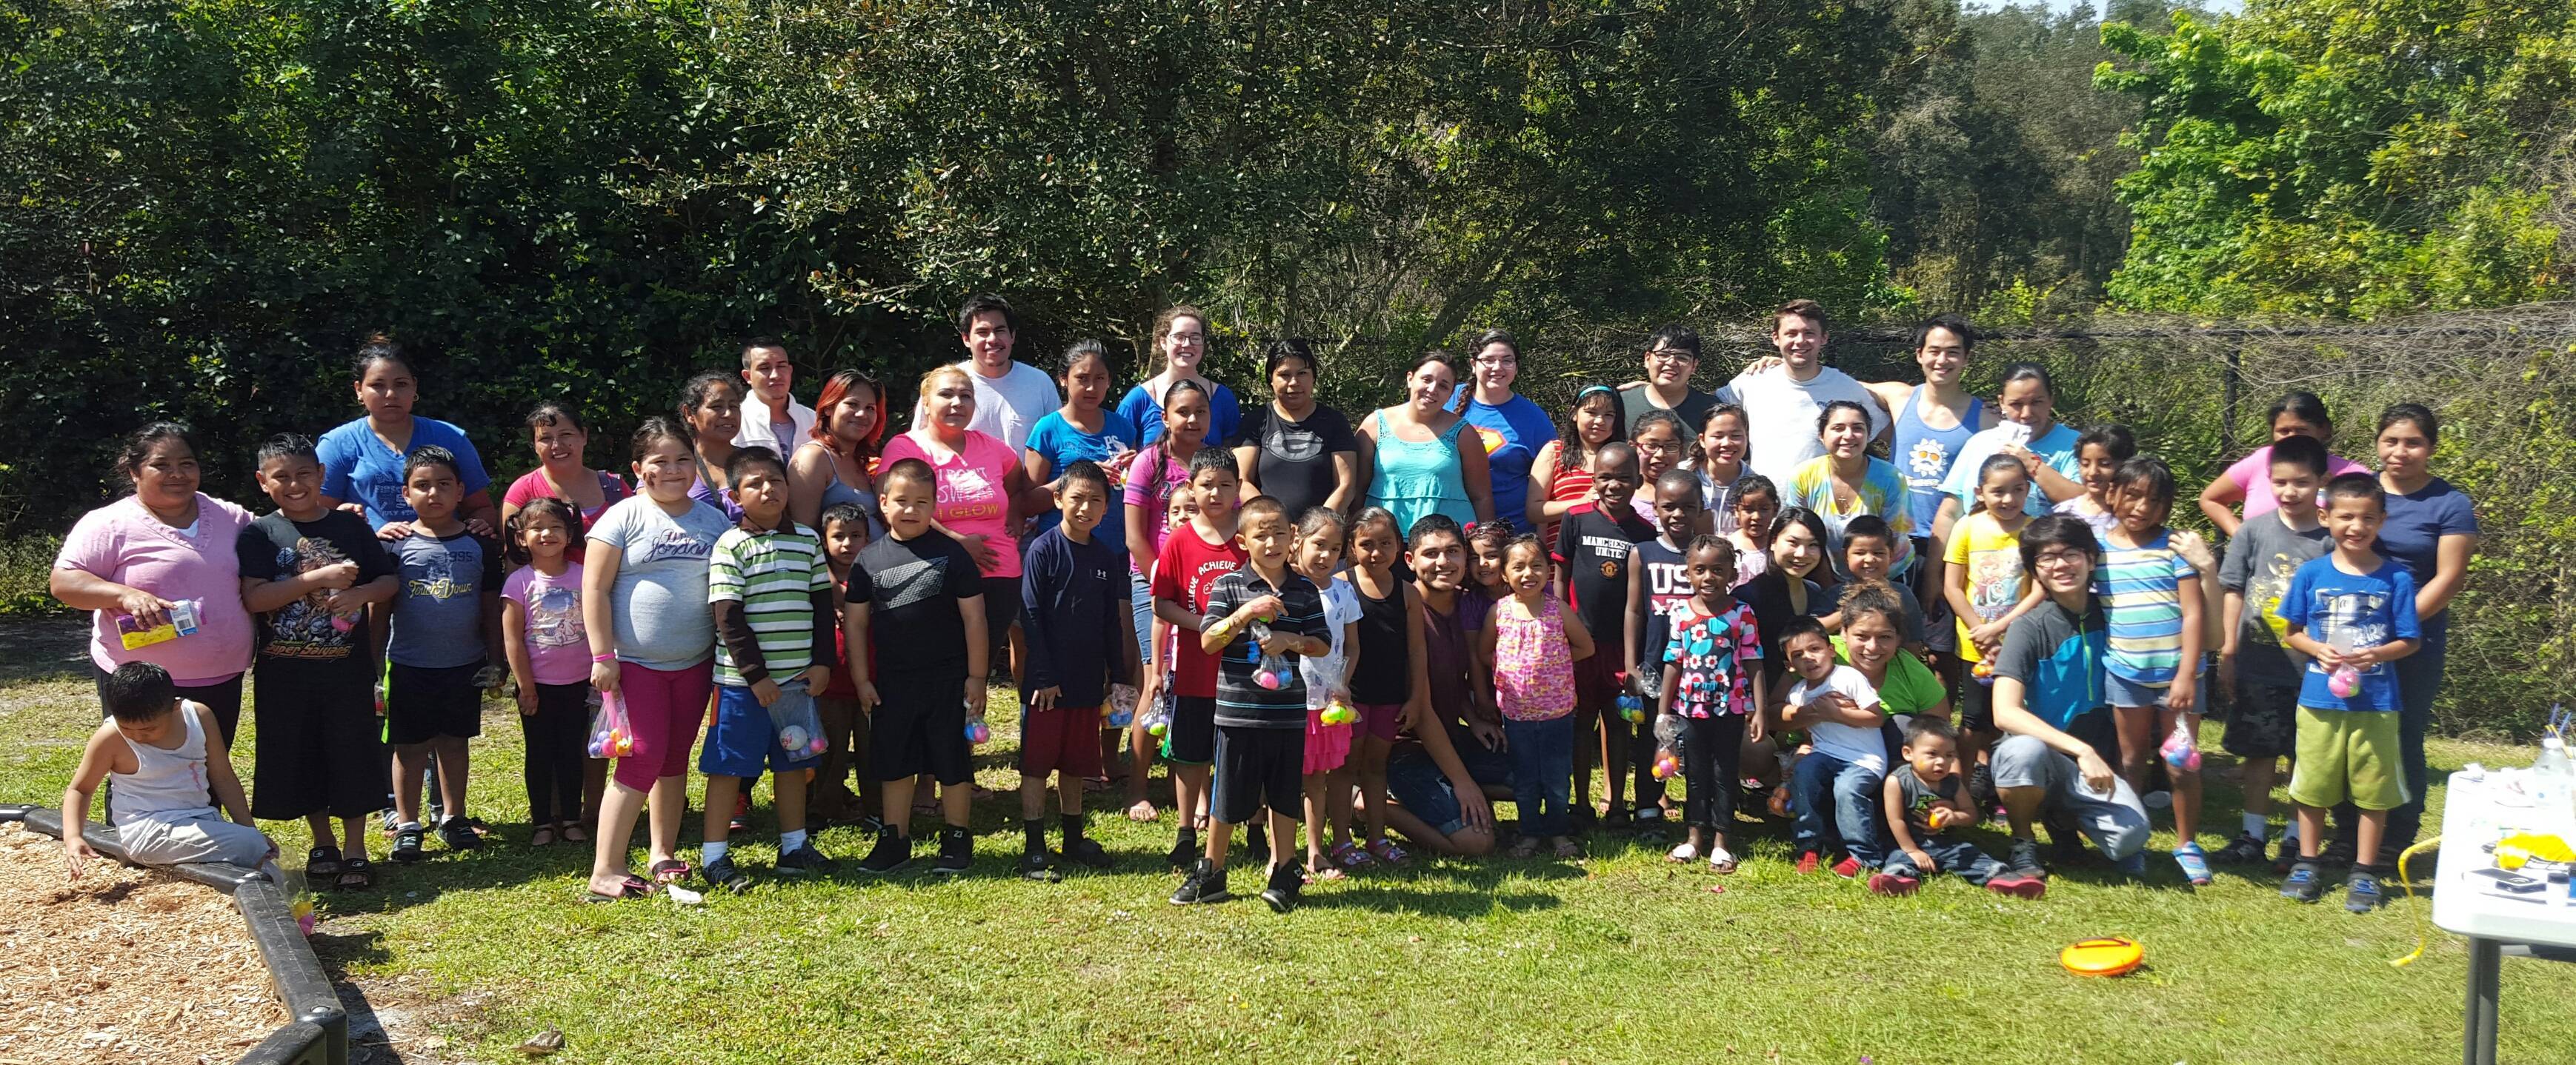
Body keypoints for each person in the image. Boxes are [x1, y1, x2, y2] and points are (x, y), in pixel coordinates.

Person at [236, 433, 398, 889]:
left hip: (346, 669)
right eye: (281, 477)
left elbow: (388, 581)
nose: (294, 484)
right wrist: (320, 577)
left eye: (304, 473)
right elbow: (256, 597)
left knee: (352, 753)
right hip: (283, 672)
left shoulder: (349, 528)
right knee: (301, 753)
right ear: (262, 482)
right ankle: (322, 841)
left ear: (322, 474)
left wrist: (361, 594)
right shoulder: (261, 533)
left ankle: (356, 847)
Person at [580, 418, 731, 901]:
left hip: (694, 664)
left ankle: (661, 853)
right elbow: (594, 588)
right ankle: (606, 869)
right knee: (641, 757)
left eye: (682, 460)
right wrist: (602, 655)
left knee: (672, 758)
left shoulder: (714, 522)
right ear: (638, 469)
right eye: (659, 461)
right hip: (634, 664)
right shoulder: (622, 517)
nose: (672, 470)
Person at [1174, 495, 1332, 912]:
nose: (1272, 542)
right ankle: (1212, 871)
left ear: (1293, 537)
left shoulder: (1303, 591)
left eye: (1280, 532)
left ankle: (1285, 869)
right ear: (1243, 541)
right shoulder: (1229, 585)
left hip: (1288, 714)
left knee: (1283, 795)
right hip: (1237, 712)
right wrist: (1245, 614)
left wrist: (1291, 642)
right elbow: (1209, 642)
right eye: (1261, 534)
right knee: (1227, 795)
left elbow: (1321, 644)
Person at [53, 422, 256, 743]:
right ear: (134, 471)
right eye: (161, 465)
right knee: (140, 779)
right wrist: (125, 595)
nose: (177, 474)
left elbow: (280, 539)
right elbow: (64, 582)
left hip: (221, 676)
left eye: (187, 464)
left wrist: (334, 520)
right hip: (140, 680)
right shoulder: (109, 523)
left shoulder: (230, 516)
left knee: (205, 775)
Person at [698, 447, 841, 892]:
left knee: (794, 763)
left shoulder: (807, 540)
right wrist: (756, 677)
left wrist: (822, 664)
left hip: (798, 683)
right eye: (755, 483)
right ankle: (715, 856)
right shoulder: (730, 544)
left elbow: (821, 607)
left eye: (775, 480)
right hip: (744, 686)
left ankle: (794, 847)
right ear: (736, 495)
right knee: (729, 767)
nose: (768, 489)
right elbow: (728, 616)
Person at [2277, 473, 2423, 912]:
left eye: (2367, 518)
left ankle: (2364, 871)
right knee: (2313, 785)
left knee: (2373, 790)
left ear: (2382, 521)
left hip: (2377, 705)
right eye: (2345, 516)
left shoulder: (2396, 578)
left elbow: (2411, 641)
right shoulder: (2311, 573)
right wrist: (2316, 648)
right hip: (2320, 703)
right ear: (2325, 517)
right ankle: (2307, 863)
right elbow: (2292, 632)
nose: (2355, 526)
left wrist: (2378, 652)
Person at [2337, 404, 2476, 861]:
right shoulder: (2357, 491)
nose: (2400, 452)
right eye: (2391, 441)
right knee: (2346, 729)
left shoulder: (2450, 503)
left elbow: (2449, 577)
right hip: (2347, 634)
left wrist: (2394, 626)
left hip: (2414, 640)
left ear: (2431, 448)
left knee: (2403, 732)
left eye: (2413, 442)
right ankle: (2344, 833)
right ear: (2377, 443)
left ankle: (2398, 834)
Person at [1987, 515, 2152, 882]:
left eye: (2071, 554)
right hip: (2047, 757)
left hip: (2099, 768)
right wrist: (2081, 750)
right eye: (2046, 559)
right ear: (2035, 572)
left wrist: (2205, 571)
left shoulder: (2118, 614)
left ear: (2091, 559)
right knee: (2021, 751)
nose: (2061, 565)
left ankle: (2062, 820)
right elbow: (2004, 712)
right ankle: (2023, 840)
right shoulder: (2028, 627)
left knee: (2130, 839)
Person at [848, 458, 990, 876]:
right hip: (892, 683)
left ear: (935, 505)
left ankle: (957, 837)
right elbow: (855, 623)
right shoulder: (868, 561)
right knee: (893, 762)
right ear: (884, 503)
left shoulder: (954, 556)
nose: (911, 510)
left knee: (951, 760)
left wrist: (978, 676)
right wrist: (861, 679)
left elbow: (975, 619)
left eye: (922, 502)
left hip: (949, 680)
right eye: (902, 501)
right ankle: (895, 840)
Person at [2212, 434, 2334, 867]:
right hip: (2259, 664)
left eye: (2301, 482)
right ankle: (2252, 835)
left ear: (2322, 481)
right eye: (2280, 482)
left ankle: (2296, 839)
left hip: (2315, 672)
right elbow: (2232, 590)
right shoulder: (2253, 530)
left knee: (2306, 756)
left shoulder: (2332, 538)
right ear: (2268, 480)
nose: (2289, 492)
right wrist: (2229, 651)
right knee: (2259, 753)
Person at [883, 366, 1048, 679]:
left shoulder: (992, 447)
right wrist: (957, 544)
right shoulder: (906, 448)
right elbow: (894, 508)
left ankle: (971, 726)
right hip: (933, 572)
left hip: (1000, 575)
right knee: (937, 668)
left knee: (977, 670)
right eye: (947, 394)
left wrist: (1014, 514)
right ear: (927, 403)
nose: (957, 402)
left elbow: (1017, 486)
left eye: (966, 396)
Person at [381, 447, 504, 862]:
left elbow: (491, 608)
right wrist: (372, 667)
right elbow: (379, 611)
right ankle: (408, 823)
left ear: (460, 491)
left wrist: (496, 658)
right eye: (422, 485)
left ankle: (453, 818)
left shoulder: (481, 546)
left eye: (444, 485)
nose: (433, 493)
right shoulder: (394, 546)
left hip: (464, 664)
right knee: (410, 747)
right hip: (409, 664)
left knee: (454, 743)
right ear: (406, 493)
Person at [1016, 460, 1138, 881]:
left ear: (1108, 508)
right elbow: (1030, 614)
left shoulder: (1106, 557)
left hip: (1088, 681)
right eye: (1077, 499)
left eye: (1096, 501)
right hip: (1046, 684)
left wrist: (1118, 676)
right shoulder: (1043, 549)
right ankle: (1034, 845)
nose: (1085, 508)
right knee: (1036, 766)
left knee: (1075, 763)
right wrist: (1045, 677)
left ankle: (1073, 838)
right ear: (1058, 500)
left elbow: (1111, 623)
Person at [2094, 455, 2211, 884]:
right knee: (2130, 759)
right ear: (2112, 495)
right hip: (2124, 673)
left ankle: (2187, 843)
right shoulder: (2098, 550)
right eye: (2133, 495)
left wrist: (2185, 675)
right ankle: (2134, 840)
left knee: (2183, 764)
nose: (2142, 507)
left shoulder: (2173, 549)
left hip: (2181, 678)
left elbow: (2194, 614)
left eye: (2155, 501)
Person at [62, 664, 275, 875]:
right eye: (127, 728)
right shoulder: (110, 737)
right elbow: (80, 789)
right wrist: (73, 837)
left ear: (176, 707)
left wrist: (249, 829)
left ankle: (290, 906)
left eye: (149, 729)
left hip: (201, 819)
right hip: (146, 832)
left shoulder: (199, 717)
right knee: (249, 846)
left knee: (265, 861)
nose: (137, 736)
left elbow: (223, 776)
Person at [1374, 515, 1502, 858]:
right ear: (1410, 560)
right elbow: (1421, 709)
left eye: (1453, 552)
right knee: (1478, 843)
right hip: (1406, 751)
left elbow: (1449, 676)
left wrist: (1473, 719)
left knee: (1532, 778)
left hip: (1453, 737)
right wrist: (1462, 783)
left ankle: (1460, 794)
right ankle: (1372, 805)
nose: (1443, 563)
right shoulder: (1400, 613)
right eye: (1431, 554)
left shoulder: (1469, 607)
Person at [1149, 448, 1250, 867]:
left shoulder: (1249, 537)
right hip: (1193, 669)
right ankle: (1186, 831)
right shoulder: (1180, 540)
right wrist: (1206, 626)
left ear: (1239, 489)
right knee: (1191, 755)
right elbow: (1162, 605)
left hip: (1247, 671)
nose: (1216, 493)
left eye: (1226, 485)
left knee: (1243, 752)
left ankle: (1254, 828)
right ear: (1191, 488)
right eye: (1207, 484)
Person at [1554, 443, 1651, 828]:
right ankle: (1579, 804)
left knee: (1618, 724)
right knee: (1581, 724)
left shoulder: (1644, 532)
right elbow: (1560, 575)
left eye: (1624, 478)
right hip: (1580, 644)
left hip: (1619, 646)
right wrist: (1561, 629)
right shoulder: (1576, 518)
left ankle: (1616, 804)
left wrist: (1633, 657)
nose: (1614, 485)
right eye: (1606, 477)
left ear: (1639, 481)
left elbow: (1639, 598)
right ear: (1593, 481)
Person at [1655, 535, 1764, 872]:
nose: (1709, 578)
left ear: (1732, 572)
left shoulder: (1742, 613)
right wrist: (1663, 711)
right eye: (1700, 570)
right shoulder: (1680, 613)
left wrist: (1758, 710)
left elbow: (1754, 660)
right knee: (1695, 774)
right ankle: (1693, 837)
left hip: (1730, 708)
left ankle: (1722, 841)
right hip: (1690, 708)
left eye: (1718, 570)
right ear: (1687, 573)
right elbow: (1673, 662)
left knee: (1724, 772)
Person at [316, 335, 497, 534]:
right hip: (369, 560)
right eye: (378, 385)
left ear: (414, 387)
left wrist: (475, 528)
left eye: (400, 384)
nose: (391, 394)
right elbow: (316, 515)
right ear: (359, 390)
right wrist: (347, 519)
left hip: (443, 559)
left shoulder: (450, 438)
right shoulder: (337, 445)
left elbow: (481, 508)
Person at [1485, 535, 1594, 859]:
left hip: (1557, 712)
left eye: (1536, 565)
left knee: (1558, 776)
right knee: (1526, 777)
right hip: (1516, 715)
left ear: (1548, 570)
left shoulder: (1557, 610)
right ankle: (1530, 832)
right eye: (1518, 567)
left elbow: (1586, 647)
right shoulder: (1499, 612)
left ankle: (1559, 831)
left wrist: (1554, 661)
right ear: (1505, 574)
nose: (1528, 573)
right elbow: (1483, 652)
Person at [1334, 507, 1430, 869]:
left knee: (1377, 767)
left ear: (1399, 545)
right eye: (1366, 544)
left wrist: (1417, 697)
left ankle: (1377, 839)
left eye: (1385, 543)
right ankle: (1342, 842)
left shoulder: (1408, 594)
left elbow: (1417, 650)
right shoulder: (1342, 585)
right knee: (1345, 768)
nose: (1376, 553)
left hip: (1390, 696)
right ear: (1352, 548)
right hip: (1350, 696)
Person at [1943, 453, 2041, 805]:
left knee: (2012, 719)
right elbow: (1953, 586)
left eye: (2017, 490)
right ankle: (1963, 789)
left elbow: (2042, 588)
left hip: (2020, 643)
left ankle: (2006, 791)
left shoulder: (2034, 530)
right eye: (1998, 491)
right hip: (1975, 646)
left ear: (2028, 490)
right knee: (1973, 720)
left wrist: (2001, 628)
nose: (2008, 499)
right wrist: (1979, 629)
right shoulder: (1966, 528)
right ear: (1979, 492)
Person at [498, 498, 592, 849]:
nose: (546, 534)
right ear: (522, 538)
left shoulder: (585, 577)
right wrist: (526, 688)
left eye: (555, 527)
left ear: (569, 535)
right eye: (536, 527)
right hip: (537, 688)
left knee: (571, 751)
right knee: (539, 754)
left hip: (579, 684)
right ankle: (541, 822)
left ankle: (570, 818)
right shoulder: (518, 583)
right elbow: (513, 641)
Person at [1620, 466, 1709, 827]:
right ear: (1655, 508)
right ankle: (1646, 806)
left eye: (1688, 507)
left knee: (1696, 739)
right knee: (1649, 737)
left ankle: (1699, 808)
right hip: (1654, 666)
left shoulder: (1708, 555)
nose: (1678, 515)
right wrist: (1631, 664)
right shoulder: (1642, 553)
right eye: (1669, 506)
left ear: (1701, 508)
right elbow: (1633, 610)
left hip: (1699, 667)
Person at [1717, 301, 1888, 486]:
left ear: (1824, 338)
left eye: (1809, 333)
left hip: (1822, 509)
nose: (1800, 341)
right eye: (1791, 333)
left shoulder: (1847, 388)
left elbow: (1892, 434)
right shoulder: (1753, 380)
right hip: (1763, 508)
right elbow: (1703, 409)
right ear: (1776, 338)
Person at [1869, 718, 2043, 898]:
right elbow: (1895, 819)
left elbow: (1971, 815)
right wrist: (1912, 850)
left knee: (1970, 854)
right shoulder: (1898, 781)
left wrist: (1954, 817)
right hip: (1908, 842)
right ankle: (1897, 880)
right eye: (1932, 754)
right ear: (1908, 753)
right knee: (1898, 859)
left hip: (1946, 844)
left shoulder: (1952, 782)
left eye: (1949, 755)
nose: (1941, 762)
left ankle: (2003, 878)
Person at [1777, 616, 1891, 877]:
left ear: (1831, 650)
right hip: (1825, 754)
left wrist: (1835, 713)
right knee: (1804, 775)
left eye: (1815, 649)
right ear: (1790, 665)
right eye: (1798, 655)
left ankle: (1864, 855)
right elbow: (1810, 733)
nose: (1808, 658)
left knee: (1847, 789)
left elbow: (1876, 717)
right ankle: (1810, 847)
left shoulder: (1848, 677)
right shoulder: (1797, 694)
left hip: (1864, 759)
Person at [1124, 378, 1218, 687]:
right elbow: (1135, 537)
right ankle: (1142, 736)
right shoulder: (1149, 461)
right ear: (1165, 417)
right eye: (1183, 412)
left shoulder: (1218, 464)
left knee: (1196, 674)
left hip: (1204, 579)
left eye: (1201, 412)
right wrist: (1162, 582)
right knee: (1157, 678)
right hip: (1153, 580)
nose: (1193, 420)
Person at [1933, 362, 2087, 538]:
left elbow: (2085, 504)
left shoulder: (2074, 444)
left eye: (2037, 402)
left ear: (2051, 400)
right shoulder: (1979, 443)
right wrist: (1935, 565)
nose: (2027, 413)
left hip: (2044, 558)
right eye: (2016, 404)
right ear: (2002, 403)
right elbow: (1950, 512)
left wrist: (2031, 464)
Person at [1290, 508, 1362, 880]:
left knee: (1316, 777)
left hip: (1326, 704)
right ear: (1297, 541)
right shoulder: (1283, 587)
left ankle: (1316, 852)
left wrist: (1342, 685)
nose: (1325, 556)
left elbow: (1352, 646)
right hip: (1286, 700)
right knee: (1282, 778)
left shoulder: (1343, 590)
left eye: (1335, 549)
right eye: (1319, 545)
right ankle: (1277, 851)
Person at [2197, 391, 2370, 535]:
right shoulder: (2260, 461)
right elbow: (2211, 499)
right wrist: (2242, 537)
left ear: (2324, 429)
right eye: (2283, 431)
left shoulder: (2353, 474)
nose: (2292, 437)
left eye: (2301, 430)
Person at [1022, 341, 1141, 550]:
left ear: (1109, 382)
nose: (1091, 388)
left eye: (1100, 379)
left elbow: (1131, 491)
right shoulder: (1048, 428)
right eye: (1082, 378)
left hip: (1115, 550)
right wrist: (1083, 479)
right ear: (1063, 379)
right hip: (1062, 550)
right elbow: (1028, 503)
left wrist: (1137, 470)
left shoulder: (1123, 427)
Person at [1359, 351, 1494, 532]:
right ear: (1410, 379)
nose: (1432, 389)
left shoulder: (1464, 434)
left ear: (1451, 394)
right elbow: (1356, 490)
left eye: (1443, 386)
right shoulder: (1374, 425)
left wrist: (1488, 543)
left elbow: (1481, 497)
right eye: (1426, 379)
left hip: (1445, 548)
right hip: (1383, 545)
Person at [909, 295, 1061, 453]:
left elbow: (1058, 442)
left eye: (1000, 331)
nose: (993, 339)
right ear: (966, 339)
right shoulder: (943, 385)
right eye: (983, 332)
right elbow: (919, 445)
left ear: (1012, 336)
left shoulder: (1039, 383)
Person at [1233, 339, 1360, 524]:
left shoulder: (1334, 421)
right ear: (1271, 379)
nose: (1294, 382)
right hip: (1268, 533)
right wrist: (1276, 525)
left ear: (1313, 377)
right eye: (1284, 375)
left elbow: (1346, 486)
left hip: (1320, 539)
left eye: (1302, 373)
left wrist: (1314, 531)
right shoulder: (1256, 420)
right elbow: (1242, 481)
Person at [1783, 399, 1915, 578]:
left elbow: (1893, 539)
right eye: (1838, 428)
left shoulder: (1890, 478)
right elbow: (1799, 532)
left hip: (1886, 573)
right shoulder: (1803, 476)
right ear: (1821, 435)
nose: (1848, 435)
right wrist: (1826, 581)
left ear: (1869, 436)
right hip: (1826, 573)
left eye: (1858, 428)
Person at [812, 501, 879, 829]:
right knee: (829, 750)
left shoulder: (876, 576)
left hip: (873, 679)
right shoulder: (816, 582)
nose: (847, 544)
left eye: (856, 536)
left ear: (868, 538)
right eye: (838, 536)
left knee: (873, 751)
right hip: (831, 681)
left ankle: (876, 810)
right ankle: (823, 809)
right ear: (824, 540)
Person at [1449, 330, 1557, 535]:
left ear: (1516, 367)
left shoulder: (1534, 419)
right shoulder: (1446, 399)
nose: (1497, 367)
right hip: (1449, 531)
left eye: (1507, 361)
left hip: (1512, 535)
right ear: (1473, 364)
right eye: (1488, 360)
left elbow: (1550, 487)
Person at [499, 403, 630, 549]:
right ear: (534, 445)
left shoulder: (615, 488)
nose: (556, 445)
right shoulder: (523, 491)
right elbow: (515, 557)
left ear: (584, 436)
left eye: (566, 435)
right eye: (545, 438)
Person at [1118, 304, 1243, 447]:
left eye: (1195, 338)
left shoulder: (1223, 398)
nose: (1187, 344)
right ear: (1163, 342)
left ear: (1203, 343)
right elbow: (1119, 453)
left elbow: (1235, 456)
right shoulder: (1138, 400)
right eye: (1179, 337)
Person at [788, 368, 888, 540]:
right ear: (829, 408)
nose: (862, 414)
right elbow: (804, 535)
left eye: (870, 408)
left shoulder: (862, 461)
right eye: (852, 404)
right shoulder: (814, 457)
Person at [1832, 581, 1947, 729]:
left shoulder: (1913, 674)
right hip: (1826, 746)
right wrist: (1815, 713)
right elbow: (1792, 718)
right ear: (1844, 632)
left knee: (1903, 723)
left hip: (1891, 749)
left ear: (1899, 638)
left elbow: (1940, 734)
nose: (1872, 647)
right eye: (1862, 636)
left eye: (1885, 637)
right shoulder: (1821, 654)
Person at [1525, 385, 1624, 550]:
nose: (1600, 421)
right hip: (1561, 560)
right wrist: (1582, 503)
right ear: (1574, 414)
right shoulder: (1555, 451)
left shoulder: (1625, 457)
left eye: (1609, 415)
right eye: (1591, 412)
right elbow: (1534, 511)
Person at [1818, 518, 1927, 650]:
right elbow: (1814, 630)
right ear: (1846, 555)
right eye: (1860, 553)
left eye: (1878, 553)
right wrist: (1850, 611)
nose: (1869, 559)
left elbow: (1912, 644)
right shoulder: (1835, 594)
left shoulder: (1903, 595)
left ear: (1891, 555)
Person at [1615, 325, 1716, 433]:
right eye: (1663, 355)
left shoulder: (1712, 412)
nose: (1671, 362)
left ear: (1694, 366)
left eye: (1682, 357)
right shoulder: (1619, 404)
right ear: (1647, 359)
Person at [679, 370, 750, 522]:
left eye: (734, 406)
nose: (729, 414)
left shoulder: (755, 464)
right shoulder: (670, 466)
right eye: (717, 407)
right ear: (689, 413)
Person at [734, 337, 819, 457]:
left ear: (790, 371)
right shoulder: (735, 422)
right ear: (748, 376)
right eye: (765, 368)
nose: (776, 375)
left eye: (781, 366)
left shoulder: (813, 421)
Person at [2052, 424, 2136, 538]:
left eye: (2105, 464)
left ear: (2126, 464)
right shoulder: (2064, 513)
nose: (2092, 472)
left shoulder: (2136, 514)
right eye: (2085, 464)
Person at [1691, 404, 1756, 534]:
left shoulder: (1756, 485)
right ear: (1702, 440)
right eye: (1718, 436)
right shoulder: (1684, 476)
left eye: (1736, 436)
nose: (1727, 443)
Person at [1627, 410, 1694, 529]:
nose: (1660, 454)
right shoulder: (1622, 491)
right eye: (1651, 446)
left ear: (1681, 449)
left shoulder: (1691, 491)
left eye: (1671, 446)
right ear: (1633, 447)